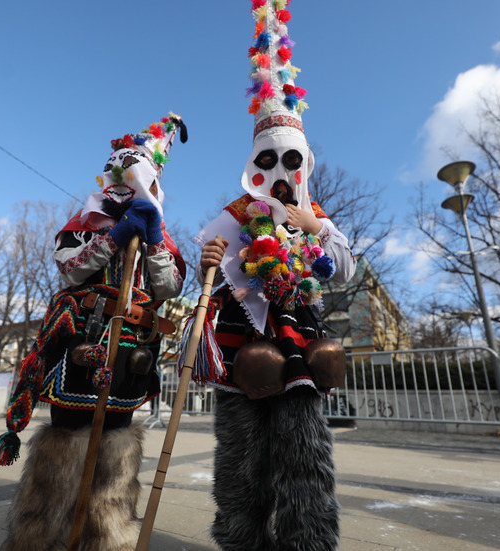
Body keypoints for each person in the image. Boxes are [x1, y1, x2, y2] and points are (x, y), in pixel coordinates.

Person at [195, 4, 356, 550]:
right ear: (256, 162)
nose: (283, 172)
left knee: (304, 447)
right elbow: (213, 267)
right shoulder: (237, 213)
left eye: (294, 159)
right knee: (242, 454)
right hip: (243, 337)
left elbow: (342, 266)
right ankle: (241, 539)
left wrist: (319, 226)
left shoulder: (315, 217)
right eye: (272, 159)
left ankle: (307, 540)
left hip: (299, 337)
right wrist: (211, 259)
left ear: (305, 163)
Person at [0, 113, 187, 551]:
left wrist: (153, 237)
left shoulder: (162, 234)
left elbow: (169, 285)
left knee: (117, 439)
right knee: (68, 433)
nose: (122, 184)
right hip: (84, 336)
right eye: (117, 173)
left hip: (133, 343)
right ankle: (41, 534)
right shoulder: (85, 221)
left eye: (134, 176)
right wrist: (115, 235)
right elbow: (71, 268)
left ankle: (108, 535)